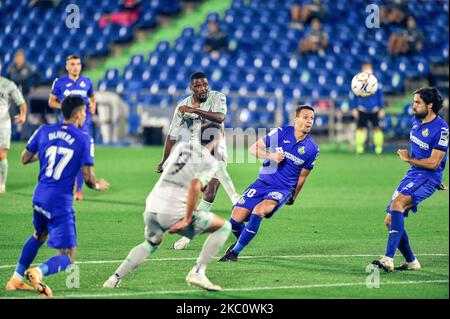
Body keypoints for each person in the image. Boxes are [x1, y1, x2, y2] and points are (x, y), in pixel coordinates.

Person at [103, 124, 231, 291]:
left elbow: (169, 169)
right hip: (173, 210)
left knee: (151, 242)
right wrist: (187, 218)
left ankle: (114, 278)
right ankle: (198, 272)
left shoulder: (181, 147)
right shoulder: (209, 161)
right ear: (216, 140)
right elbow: (194, 185)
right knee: (223, 227)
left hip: (152, 205)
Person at [4, 95, 109, 297]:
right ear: (78, 114)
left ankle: (15, 279)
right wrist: (96, 185)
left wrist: (46, 150)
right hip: (59, 202)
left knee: (39, 234)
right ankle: (37, 272)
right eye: (84, 113)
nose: (85, 116)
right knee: (68, 256)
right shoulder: (83, 138)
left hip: (39, 196)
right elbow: (87, 177)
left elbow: (24, 158)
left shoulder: (44, 130)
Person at [219, 105, 319, 262]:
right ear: (296, 119)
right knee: (235, 220)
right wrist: (271, 155)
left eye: (312, 118)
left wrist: (294, 196)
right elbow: (253, 149)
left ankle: (234, 252)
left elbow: (303, 176)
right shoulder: (281, 132)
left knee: (259, 211)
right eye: (305, 117)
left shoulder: (312, 148)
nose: (309, 121)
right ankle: (243, 239)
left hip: (283, 189)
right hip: (262, 183)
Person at [157, 72, 239, 250]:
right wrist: (164, 160)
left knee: (210, 190)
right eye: (198, 86)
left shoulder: (218, 97)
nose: (203, 89)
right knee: (201, 193)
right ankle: (188, 234)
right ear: (191, 88)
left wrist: (194, 111)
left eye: (205, 85)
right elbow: (172, 136)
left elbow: (220, 117)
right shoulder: (182, 106)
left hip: (217, 145)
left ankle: (235, 199)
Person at [372, 87, 448, 272]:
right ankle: (412, 262)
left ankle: (388, 259)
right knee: (390, 220)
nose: (413, 106)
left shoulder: (443, 129)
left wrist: (409, 159)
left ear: (430, 105)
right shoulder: (416, 121)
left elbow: (433, 163)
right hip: (414, 175)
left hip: (427, 177)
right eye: (413, 101)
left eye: (417, 102)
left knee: (398, 204)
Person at [49, 55, 96, 201]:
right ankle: (62, 185)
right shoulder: (59, 82)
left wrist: (93, 105)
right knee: (65, 156)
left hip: (83, 125)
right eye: (72, 64)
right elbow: (51, 102)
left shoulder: (87, 82)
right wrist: (64, 107)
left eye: (78, 64)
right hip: (66, 126)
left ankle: (79, 190)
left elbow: (92, 97)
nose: (76, 67)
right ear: (67, 66)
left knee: (81, 157)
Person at [0, 61, 27, 193]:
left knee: (1, 154)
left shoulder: (8, 85)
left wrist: (23, 115)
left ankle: (1, 185)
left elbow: (21, 102)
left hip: (3, 124)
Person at [352, 62, 385, 155]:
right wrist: (354, 108)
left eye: (369, 68)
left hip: (375, 109)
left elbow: (380, 96)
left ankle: (378, 149)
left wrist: (381, 108)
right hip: (362, 108)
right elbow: (354, 95)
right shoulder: (358, 81)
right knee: (360, 128)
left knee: (377, 128)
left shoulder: (376, 82)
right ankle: (359, 149)